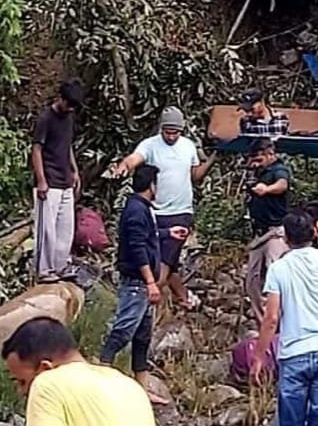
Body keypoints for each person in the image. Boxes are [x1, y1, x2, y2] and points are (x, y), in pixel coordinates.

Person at [251, 210, 318, 426]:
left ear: (286, 238)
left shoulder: (279, 268)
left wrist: (259, 357)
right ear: (313, 232)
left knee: (291, 421)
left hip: (294, 352)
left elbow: (271, 318)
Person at [114, 106, 216, 309]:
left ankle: (147, 304)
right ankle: (185, 299)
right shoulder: (150, 145)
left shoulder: (188, 146)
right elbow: (135, 158)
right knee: (164, 261)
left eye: (175, 132)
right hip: (155, 212)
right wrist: (125, 165)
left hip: (181, 213)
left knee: (162, 268)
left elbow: (195, 175)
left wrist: (212, 159)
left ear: (181, 130)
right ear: (161, 128)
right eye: (167, 132)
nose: (171, 136)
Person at [100, 164, 179, 405]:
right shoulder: (136, 210)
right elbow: (137, 247)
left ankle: (141, 388)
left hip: (142, 284)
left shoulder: (142, 208)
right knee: (123, 331)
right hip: (136, 283)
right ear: (151, 185)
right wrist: (150, 282)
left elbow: (147, 235)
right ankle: (100, 374)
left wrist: (168, 233)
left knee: (142, 337)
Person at [3, 317, 156, 426]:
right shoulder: (130, 386)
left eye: (22, 381)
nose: (21, 391)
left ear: (45, 368)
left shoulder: (47, 383)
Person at [32, 79, 84, 283]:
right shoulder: (46, 118)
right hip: (49, 181)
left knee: (65, 229)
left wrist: (74, 170)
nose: (70, 108)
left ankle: (61, 266)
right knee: (47, 230)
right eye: (68, 104)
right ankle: (44, 270)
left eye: (73, 106)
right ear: (60, 98)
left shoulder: (69, 117)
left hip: (65, 180)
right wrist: (41, 180)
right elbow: (36, 149)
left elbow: (67, 144)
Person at [245, 138, 292, 323]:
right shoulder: (257, 172)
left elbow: (282, 184)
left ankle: (280, 321)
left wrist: (267, 189)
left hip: (276, 231)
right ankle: (262, 322)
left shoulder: (278, 169)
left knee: (276, 275)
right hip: (259, 233)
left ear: (270, 154)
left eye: (259, 159)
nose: (256, 163)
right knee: (252, 280)